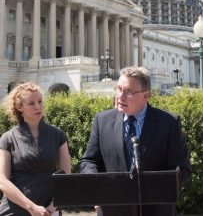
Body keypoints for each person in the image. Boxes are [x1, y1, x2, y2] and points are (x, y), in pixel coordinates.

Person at [80, 66, 191, 216]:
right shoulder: (102, 121)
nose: (120, 96)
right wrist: (97, 186)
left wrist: (151, 188)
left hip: (156, 210)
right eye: (118, 89)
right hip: (112, 210)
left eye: (129, 92)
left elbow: (181, 169)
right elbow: (89, 161)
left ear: (145, 96)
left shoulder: (168, 123)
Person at [0, 82, 71, 215]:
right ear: (19, 107)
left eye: (40, 101)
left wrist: (53, 205)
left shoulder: (58, 135)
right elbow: (2, 181)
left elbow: (66, 174)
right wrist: (32, 208)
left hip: (50, 211)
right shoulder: (7, 138)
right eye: (31, 104)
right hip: (14, 211)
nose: (38, 107)